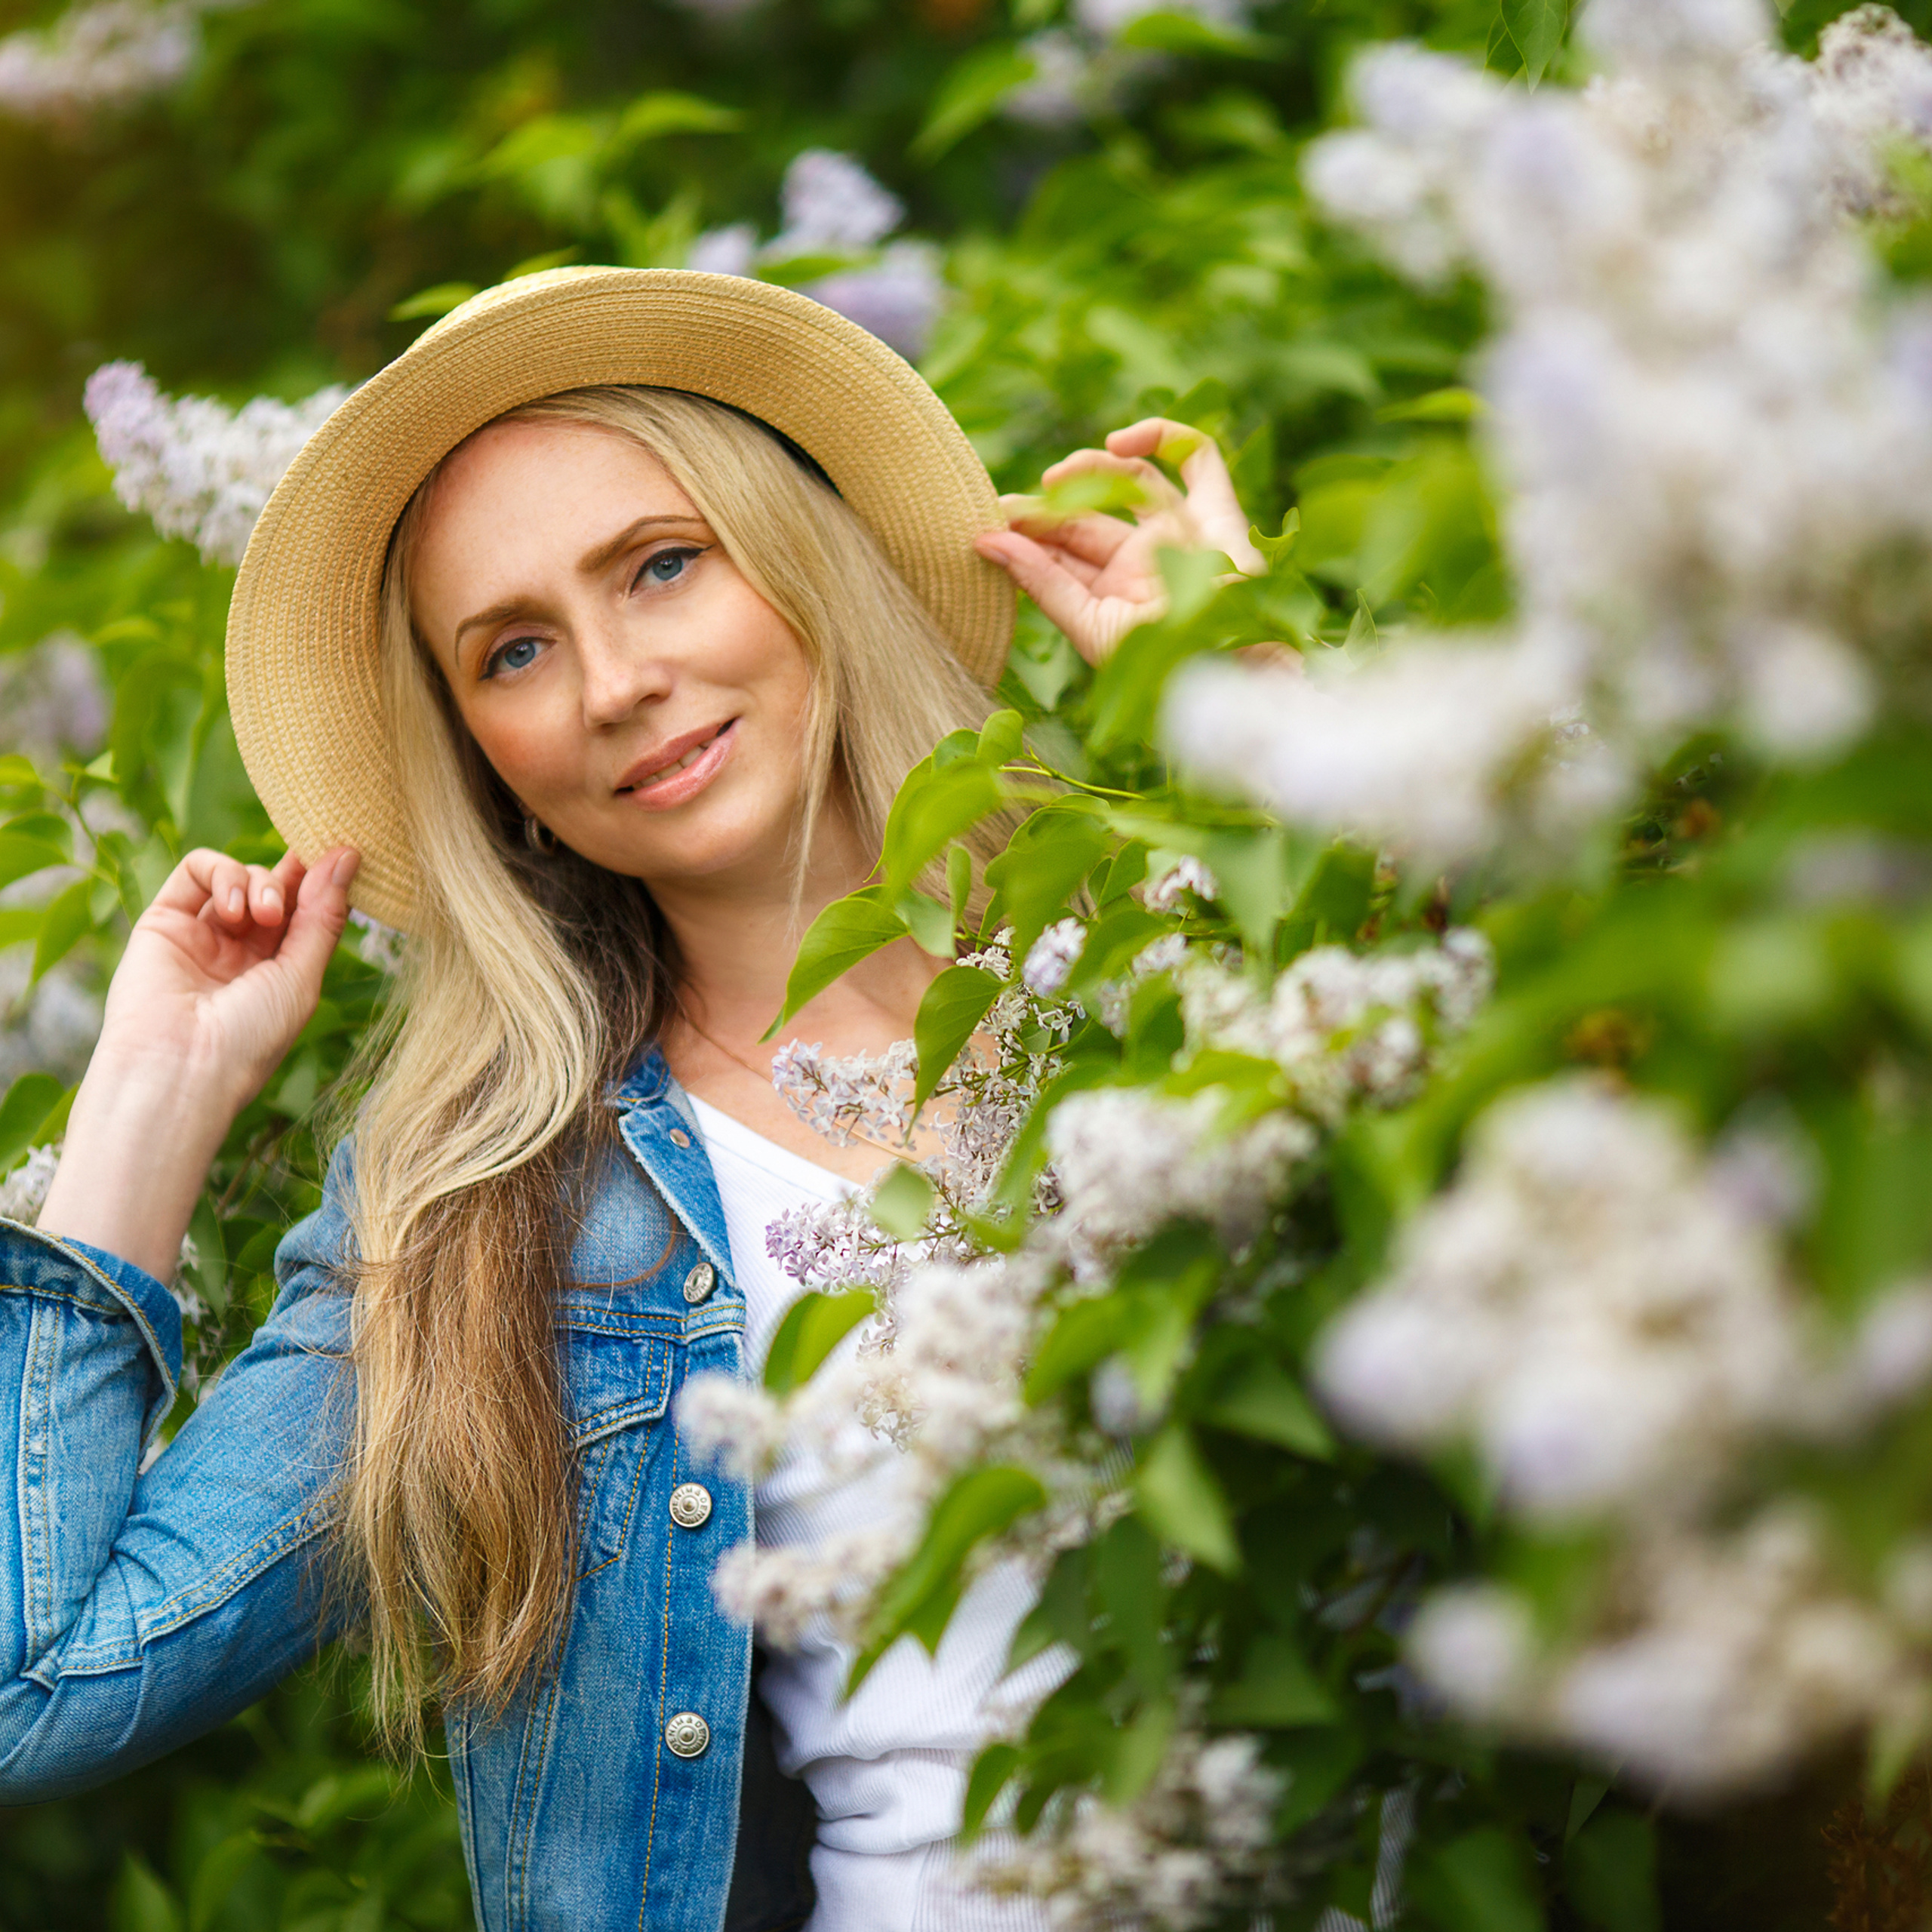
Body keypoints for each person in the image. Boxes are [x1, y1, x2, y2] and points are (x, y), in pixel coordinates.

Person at [1, 268, 1260, 1932]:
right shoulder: (489, 1207)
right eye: (513, 649)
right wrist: (149, 1111)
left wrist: (1268, 744)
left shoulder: (1178, 948)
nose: (610, 683)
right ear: (478, 749)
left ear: (793, 554)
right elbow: (34, 1691)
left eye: (659, 565)